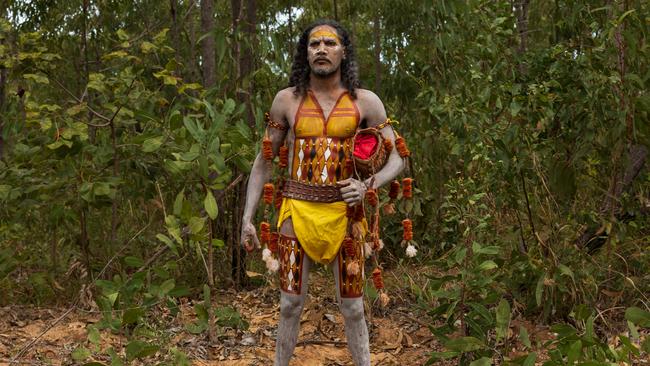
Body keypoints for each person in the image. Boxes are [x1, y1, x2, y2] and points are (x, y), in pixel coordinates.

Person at [240, 19, 404, 366]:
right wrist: (247, 218)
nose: (321, 50)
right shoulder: (286, 100)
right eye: (314, 45)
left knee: (353, 307)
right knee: (289, 305)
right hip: (296, 212)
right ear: (306, 53)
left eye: (330, 43)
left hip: (347, 217)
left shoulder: (366, 102)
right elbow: (263, 162)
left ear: (344, 52)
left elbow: (398, 157)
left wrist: (367, 186)